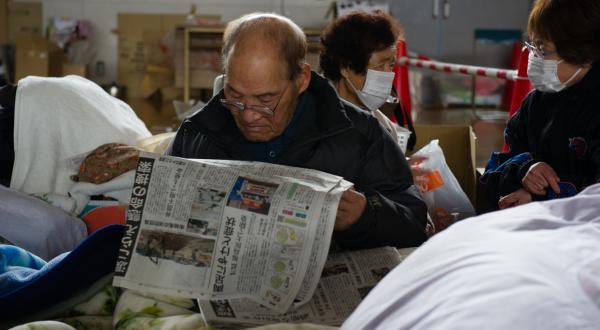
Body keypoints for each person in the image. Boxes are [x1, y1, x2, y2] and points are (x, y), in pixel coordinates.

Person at [166, 12, 428, 249]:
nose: (248, 114)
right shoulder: (197, 133)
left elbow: (414, 224)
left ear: (301, 79)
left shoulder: (359, 135)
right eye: (234, 95)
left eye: (266, 100)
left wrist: (364, 216)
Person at [480, 0, 600, 210]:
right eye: (533, 47)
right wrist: (524, 169)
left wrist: (539, 198)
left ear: (585, 55)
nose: (534, 59)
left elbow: (594, 197)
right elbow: (493, 173)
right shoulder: (536, 104)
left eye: (543, 52)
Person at [319, 10, 409, 147]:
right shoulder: (320, 123)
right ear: (346, 67)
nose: (388, 74)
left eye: (391, 65)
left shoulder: (382, 123)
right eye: (379, 66)